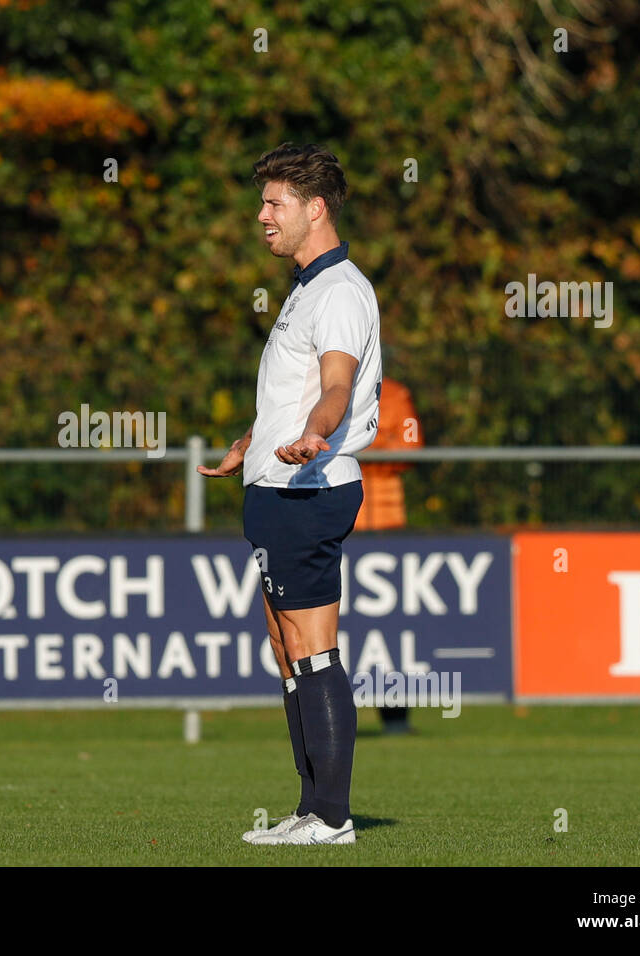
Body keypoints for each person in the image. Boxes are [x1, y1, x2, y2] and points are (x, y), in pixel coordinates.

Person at [199, 143, 381, 846]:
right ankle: (312, 808)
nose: (262, 216)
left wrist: (312, 434)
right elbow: (300, 386)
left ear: (316, 208)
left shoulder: (337, 291)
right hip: (277, 483)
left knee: (312, 647)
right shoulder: (307, 287)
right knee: (287, 646)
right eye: (263, 202)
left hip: (310, 487)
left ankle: (332, 819)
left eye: (275, 203)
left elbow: (335, 387)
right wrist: (254, 439)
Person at [357, 375, 422, 733]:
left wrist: (362, 447)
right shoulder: (319, 389)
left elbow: (411, 446)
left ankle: (395, 717)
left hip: (387, 526)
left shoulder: (396, 393)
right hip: (337, 524)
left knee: (390, 627)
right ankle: (329, 715)